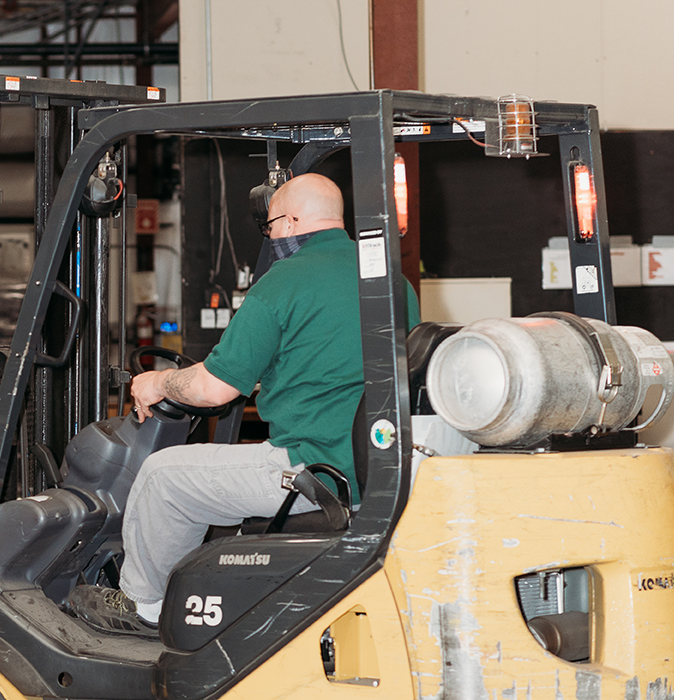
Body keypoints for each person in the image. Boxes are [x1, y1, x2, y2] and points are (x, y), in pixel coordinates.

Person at [65, 173, 420, 636]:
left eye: (271, 226)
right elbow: (347, 370)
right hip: (374, 467)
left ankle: (143, 607)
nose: (271, 237)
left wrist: (158, 383)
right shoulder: (392, 281)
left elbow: (212, 391)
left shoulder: (283, 281)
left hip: (310, 468)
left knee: (162, 477)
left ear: (291, 221)